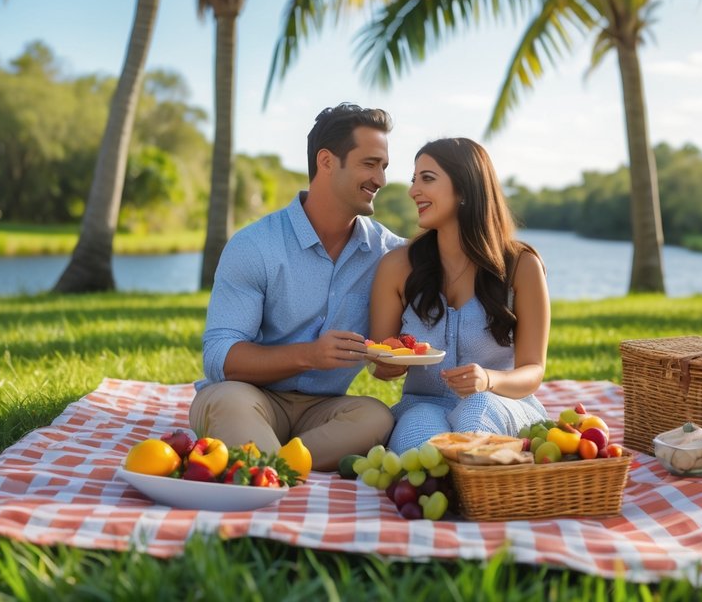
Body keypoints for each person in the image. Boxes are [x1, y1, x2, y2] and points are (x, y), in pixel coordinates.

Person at [189, 104, 406, 471]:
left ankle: (268, 467)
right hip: (250, 396)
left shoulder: (390, 255)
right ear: (326, 161)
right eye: (370, 164)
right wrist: (310, 355)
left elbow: (453, 258)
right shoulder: (255, 245)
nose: (381, 180)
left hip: (324, 411)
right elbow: (219, 357)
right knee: (225, 401)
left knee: (377, 416)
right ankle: (281, 466)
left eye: (384, 167)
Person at [369, 137, 551, 453]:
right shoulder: (397, 266)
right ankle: (448, 491)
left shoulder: (522, 266)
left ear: (465, 188)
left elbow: (533, 370)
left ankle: (478, 489)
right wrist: (389, 363)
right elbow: (381, 363)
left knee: (475, 410)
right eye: (414, 180)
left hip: (500, 400)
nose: (413, 191)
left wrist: (488, 380)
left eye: (427, 178)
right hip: (422, 402)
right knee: (418, 433)